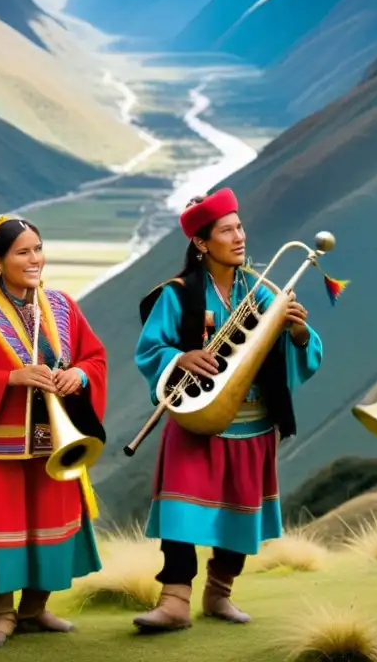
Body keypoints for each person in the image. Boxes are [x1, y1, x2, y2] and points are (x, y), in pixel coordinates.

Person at [131, 187, 337, 632]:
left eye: (240, 227)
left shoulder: (261, 291)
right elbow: (150, 350)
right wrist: (179, 358)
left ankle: (220, 593)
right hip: (195, 419)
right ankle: (174, 601)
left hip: (253, 423)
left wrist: (298, 334)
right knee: (181, 513)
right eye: (227, 230)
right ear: (202, 243)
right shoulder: (178, 294)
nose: (240, 237)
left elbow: (290, 353)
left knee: (239, 513)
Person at [0, 213, 108, 649]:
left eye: (38, 248)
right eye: (23, 252)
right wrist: (12, 378)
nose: (35, 258)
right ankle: (1, 616)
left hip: (55, 439)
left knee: (50, 522)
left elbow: (94, 356)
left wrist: (80, 376)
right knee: (0, 528)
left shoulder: (62, 305)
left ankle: (35, 609)